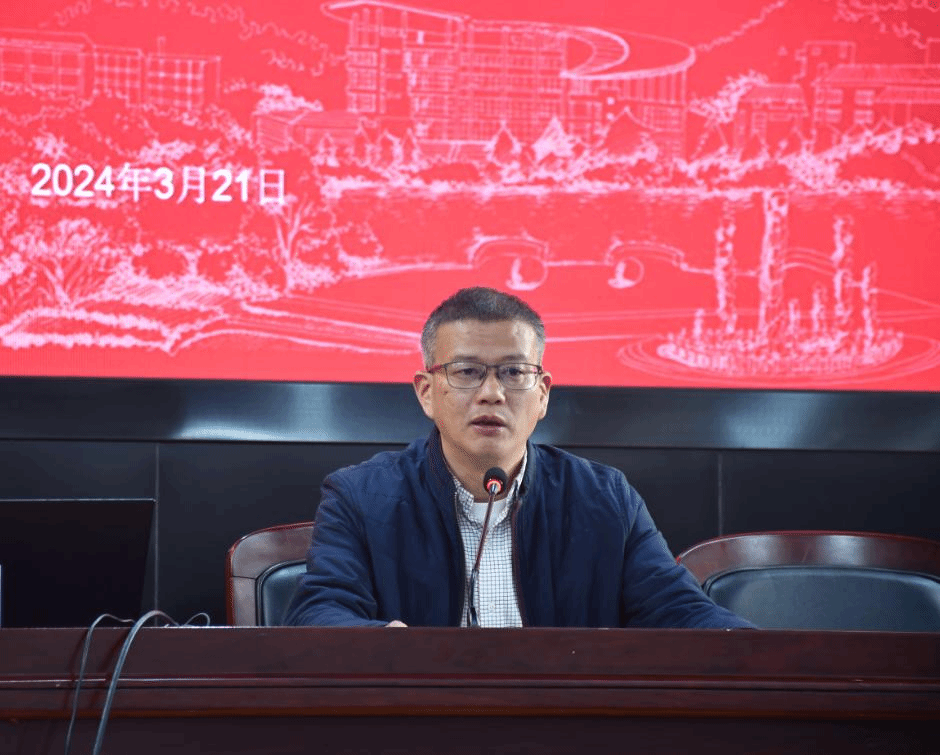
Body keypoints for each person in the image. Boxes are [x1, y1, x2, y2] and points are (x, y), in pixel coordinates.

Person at [283, 287, 754, 628]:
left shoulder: (604, 498)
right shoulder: (361, 496)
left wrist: (763, 652)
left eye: (513, 373)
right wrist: (387, 645)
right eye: (467, 371)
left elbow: (679, 611)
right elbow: (319, 611)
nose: (492, 393)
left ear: (542, 393)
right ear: (427, 392)